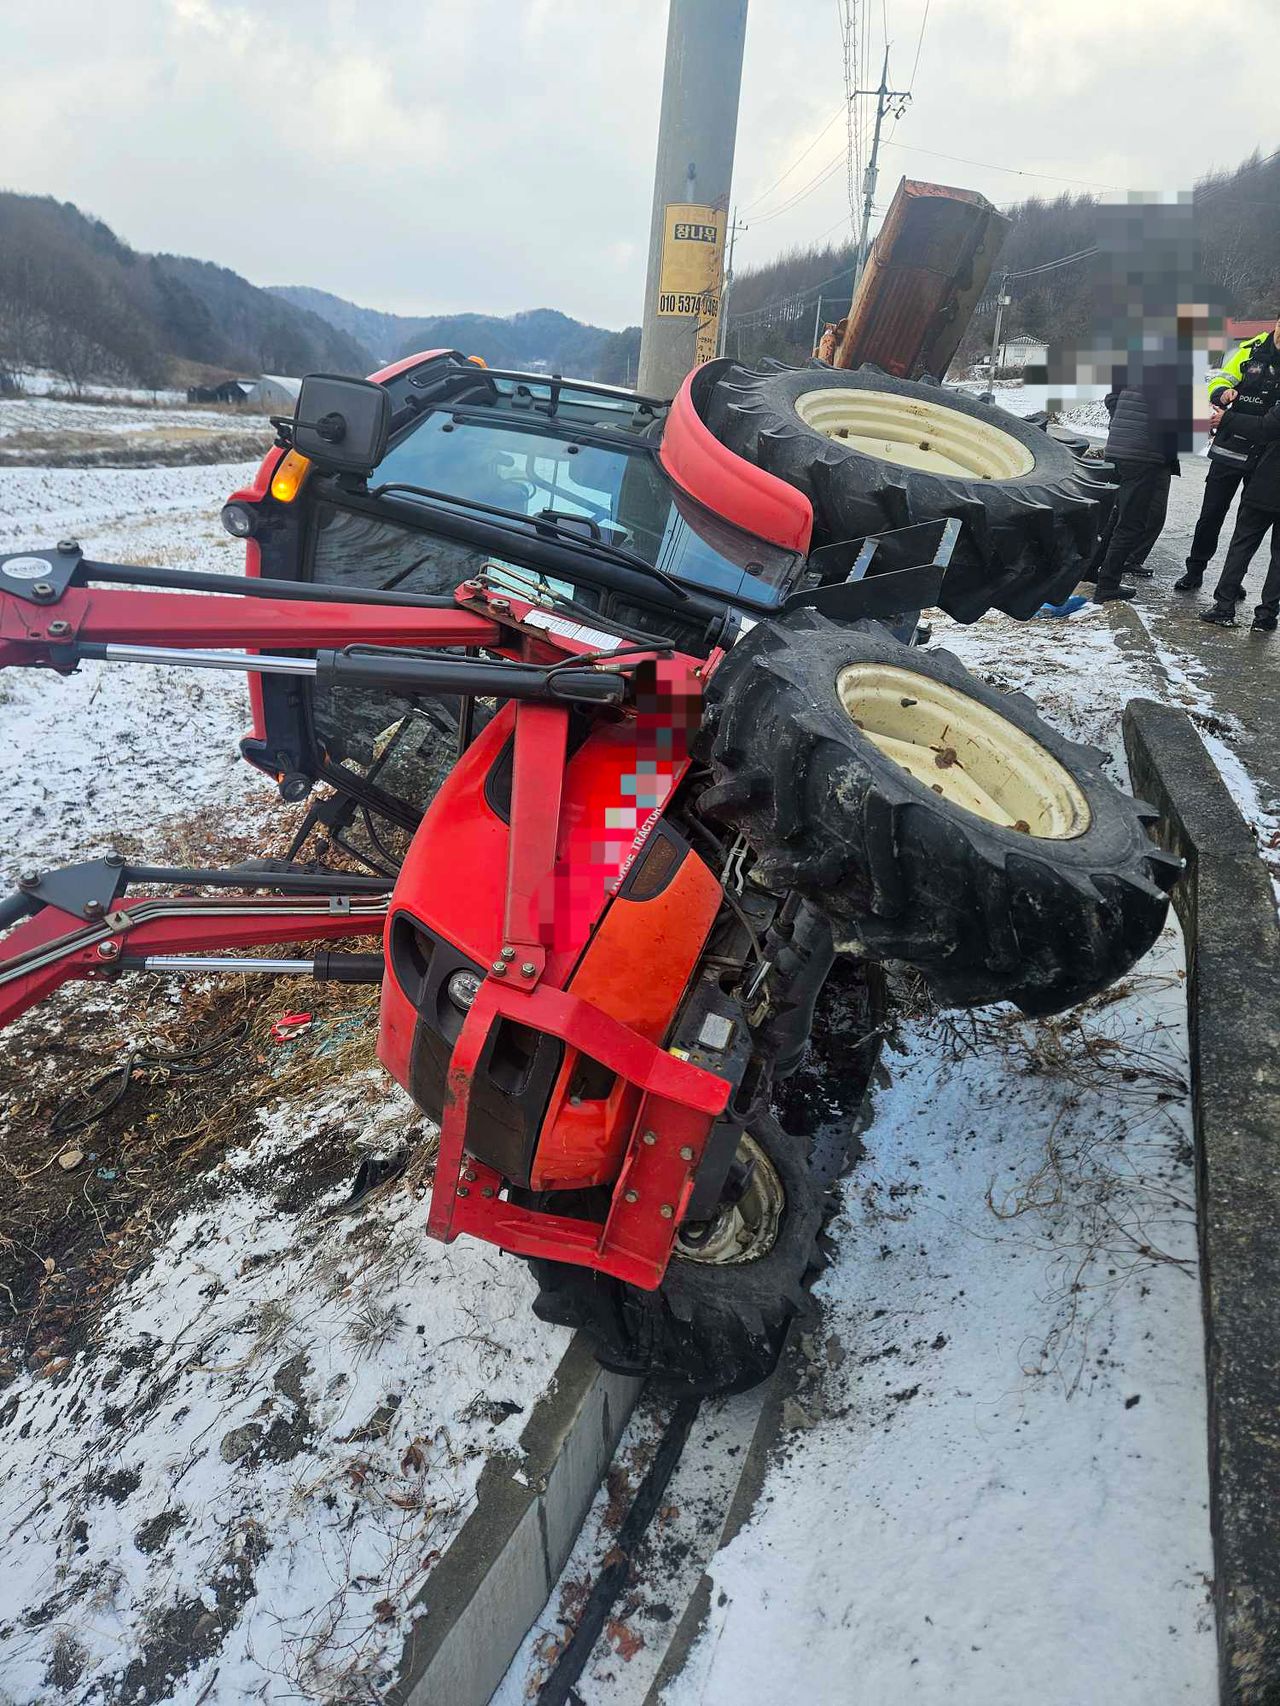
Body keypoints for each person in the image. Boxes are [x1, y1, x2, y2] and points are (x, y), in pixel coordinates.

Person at [1176, 313, 1280, 592]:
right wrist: (1222, 393)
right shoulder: (1250, 349)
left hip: (1268, 456)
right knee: (1211, 513)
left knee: (1248, 524)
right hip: (1231, 445)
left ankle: (1232, 580)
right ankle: (1195, 569)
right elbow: (1219, 380)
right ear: (1277, 323)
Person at [1093, 364, 1182, 604]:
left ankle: (1092, 570)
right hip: (1144, 456)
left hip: (1117, 449)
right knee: (1131, 524)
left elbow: (1113, 399)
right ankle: (1107, 585)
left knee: (1116, 515)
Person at [1199, 391, 1280, 631]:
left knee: (1242, 544)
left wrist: (1227, 419)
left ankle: (1224, 607)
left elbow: (1266, 427)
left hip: (1266, 484)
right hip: (1266, 484)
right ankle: (1266, 616)